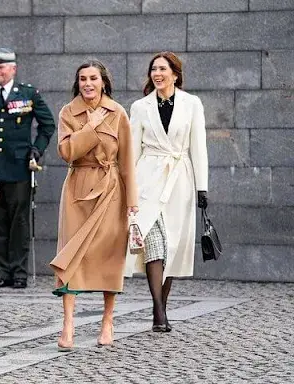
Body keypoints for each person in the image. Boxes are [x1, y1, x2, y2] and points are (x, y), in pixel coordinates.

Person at [49, 60, 138, 350]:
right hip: (77, 190)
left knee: (110, 256)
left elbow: (126, 161)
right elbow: (67, 151)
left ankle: (108, 321)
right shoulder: (67, 112)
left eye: (93, 78)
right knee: (71, 255)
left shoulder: (118, 112)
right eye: (83, 78)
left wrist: (132, 202)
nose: (88, 83)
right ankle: (68, 324)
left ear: (103, 82)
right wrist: (93, 125)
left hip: (112, 191)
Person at [125, 51, 208, 332]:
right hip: (147, 179)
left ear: (175, 73)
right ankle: (159, 310)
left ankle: (160, 305)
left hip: (180, 182)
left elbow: (199, 147)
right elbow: (132, 151)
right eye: (153, 69)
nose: (157, 74)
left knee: (172, 247)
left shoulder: (192, 104)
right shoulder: (140, 107)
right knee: (154, 242)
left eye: (163, 69)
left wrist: (202, 188)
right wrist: (129, 189)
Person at [0, 48, 55, 289]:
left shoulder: (27, 93)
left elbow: (48, 124)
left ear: (13, 68)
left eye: (1, 66)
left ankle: (19, 273)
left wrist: (37, 149)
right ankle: (4, 272)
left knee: (20, 223)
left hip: (19, 169)